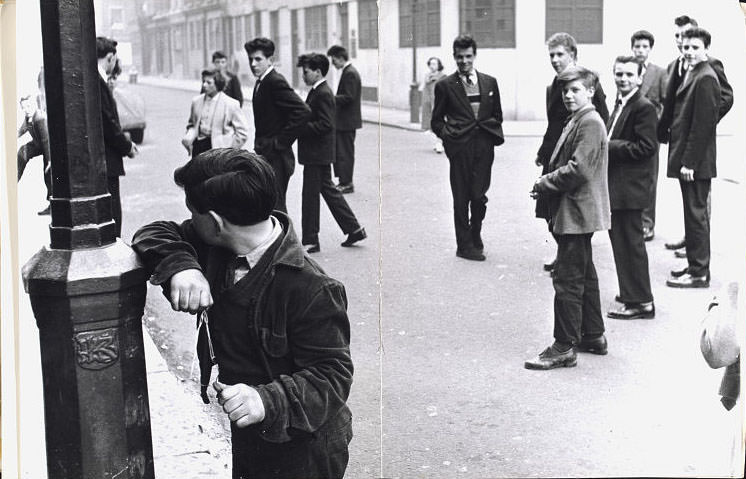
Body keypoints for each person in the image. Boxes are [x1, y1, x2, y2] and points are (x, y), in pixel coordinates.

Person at [131, 148, 354, 479]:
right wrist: (182, 267)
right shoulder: (214, 244)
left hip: (305, 448)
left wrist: (265, 400)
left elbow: (332, 375)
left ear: (217, 222)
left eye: (194, 213)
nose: (190, 221)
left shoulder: (314, 288)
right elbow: (155, 233)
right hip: (250, 434)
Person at [526, 66, 610, 370]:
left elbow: (579, 169)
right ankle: (592, 334)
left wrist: (543, 183)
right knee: (584, 273)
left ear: (590, 91)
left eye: (575, 89)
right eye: (564, 91)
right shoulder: (581, 119)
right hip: (577, 209)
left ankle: (563, 346)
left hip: (576, 210)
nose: (568, 95)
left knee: (567, 278)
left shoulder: (589, 122)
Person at [657, 15, 733, 255]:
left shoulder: (709, 67)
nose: (683, 44)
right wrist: (664, 130)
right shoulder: (677, 65)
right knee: (691, 206)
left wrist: (704, 120)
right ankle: (691, 247)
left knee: (697, 206)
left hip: (696, 145)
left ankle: (698, 259)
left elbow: (725, 97)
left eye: (688, 40)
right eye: (678, 38)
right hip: (681, 142)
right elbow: (671, 103)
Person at [535, 33, 609, 272]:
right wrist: (543, 151)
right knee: (550, 211)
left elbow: (599, 122)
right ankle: (565, 255)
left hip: (575, 156)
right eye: (551, 55)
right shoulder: (552, 87)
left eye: (560, 54)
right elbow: (553, 124)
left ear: (573, 55)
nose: (555, 60)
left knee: (569, 216)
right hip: (556, 156)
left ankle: (568, 259)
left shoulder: (586, 86)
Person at [431, 35, 504, 261]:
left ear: (475, 55)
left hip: (484, 148)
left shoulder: (490, 82)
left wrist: (489, 137)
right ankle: (464, 245)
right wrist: (449, 139)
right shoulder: (445, 85)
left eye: (468, 56)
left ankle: (475, 232)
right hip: (460, 149)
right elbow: (436, 121)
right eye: (460, 57)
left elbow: (496, 115)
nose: (464, 61)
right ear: (454, 57)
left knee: (479, 196)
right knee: (461, 197)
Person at [664, 28, 720, 289]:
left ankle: (699, 273)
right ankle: (695, 264)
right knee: (692, 214)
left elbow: (703, 125)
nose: (688, 52)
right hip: (690, 160)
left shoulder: (706, 76)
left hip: (696, 163)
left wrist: (690, 162)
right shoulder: (692, 72)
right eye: (685, 47)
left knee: (696, 216)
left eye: (695, 47)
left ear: (706, 49)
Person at [295, 53, 367, 253]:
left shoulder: (323, 93)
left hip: (317, 153)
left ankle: (311, 240)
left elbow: (326, 124)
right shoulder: (319, 91)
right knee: (329, 190)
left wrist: (301, 128)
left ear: (318, 72)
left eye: (306, 71)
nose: (303, 75)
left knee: (310, 196)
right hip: (319, 153)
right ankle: (354, 229)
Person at [606, 56, 658, 320]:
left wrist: (610, 146)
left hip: (630, 189)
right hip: (620, 188)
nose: (623, 79)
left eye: (628, 75)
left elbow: (647, 147)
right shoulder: (621, 103)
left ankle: (641, 302)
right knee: (622, 243)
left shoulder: (643, 106)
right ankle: (630, 292)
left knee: (630, 245)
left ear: (639, 77)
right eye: (619, 74)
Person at [246, 37, 311, 213]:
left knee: (276, 208)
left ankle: (287, 241)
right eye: (250, 59)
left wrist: (280, 142)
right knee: (269, 204)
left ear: (270, 60)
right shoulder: (261, 82)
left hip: (278, 157)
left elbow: (302, 112)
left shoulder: (275, 81)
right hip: (266, 154)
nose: (253, 64)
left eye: (258, 59)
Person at [97, 36, 138, 238]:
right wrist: (127, 146)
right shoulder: (98, 81)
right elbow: (108, 123)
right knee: (112, 214)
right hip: (106, 161)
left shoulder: (94, 80)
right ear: (111, 57)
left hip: (100, 160)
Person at [630, 30, 667, 242]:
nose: (641, 50)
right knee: (632, 176)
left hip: (650, 133)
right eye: (637, 46)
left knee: (650, 178)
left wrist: (655, 125)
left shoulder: (659, 73)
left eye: (645, 46)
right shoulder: (628, 70)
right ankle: (634, 220)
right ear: (632, 48)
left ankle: (647, 223)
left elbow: (664, 102)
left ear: (650, 49)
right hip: (630, 133)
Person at [182, 70, 249, 159]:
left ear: (218, 84)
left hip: (219, 150)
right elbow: (191, 124)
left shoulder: (231, 104)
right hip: (198, 147)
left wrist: (230, 151)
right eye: (203, 81)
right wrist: (189, 138)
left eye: (209, 83)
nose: (204, 85)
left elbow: (242, 133)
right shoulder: (196, 101)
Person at [327, 45, 362, 194]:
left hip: (346, 122)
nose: (333, 64)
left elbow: (349, 96)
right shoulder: (348, 72)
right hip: (345, 121)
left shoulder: (350, 73)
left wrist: (330, 98)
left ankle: (347, 183)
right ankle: (344, 181)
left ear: (341, 58)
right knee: (342, 152)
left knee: (345, 153)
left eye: (334, 60)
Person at [17, 94, 52, 215]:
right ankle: (14, 178)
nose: (27, 109)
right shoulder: (28, 118)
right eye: (24, 107)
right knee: (22, 151)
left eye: (29, 106)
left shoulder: (39, 118)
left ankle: (52, 205)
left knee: (48, 174)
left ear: (34, 105)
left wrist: (49, 161)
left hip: (48, 147)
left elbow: (46, 141)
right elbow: (20, 130)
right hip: (38, 144)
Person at [420, 56, 446, 154]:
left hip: (440, 103)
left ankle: (439, 143)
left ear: (439, 65)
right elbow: (424, 89)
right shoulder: (427, 76)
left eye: (434, 63)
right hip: (429, 103)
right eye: (430, 64)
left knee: (440, 123)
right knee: (434, 124)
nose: (432, 66)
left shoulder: (443, 76)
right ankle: (439, 143)